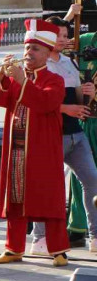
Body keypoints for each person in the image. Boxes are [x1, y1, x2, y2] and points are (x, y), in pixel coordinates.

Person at [0, 19, 69, 267]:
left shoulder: (55, 80)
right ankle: (13, 248)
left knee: (49, 197)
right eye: (26, 49)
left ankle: (59, 250)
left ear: (47, 53)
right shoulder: (16, 78)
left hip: (43, 150)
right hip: (16, 149)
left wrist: (22, 81)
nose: (28, 54)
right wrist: (0, 76)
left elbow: (45, 103)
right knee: (15, 197)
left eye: (34, 49)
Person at [30, 17, 97, 255]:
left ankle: (95, 236)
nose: (64, 39)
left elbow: (78, 100)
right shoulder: (38, 63)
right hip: (50, 134)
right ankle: (39, 237)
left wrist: (86, 94)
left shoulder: (70, 62)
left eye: (66, 35)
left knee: (92, 181)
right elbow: (34, 101)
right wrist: (65, 108)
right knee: (47, 186)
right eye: (59, 35)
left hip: (76, 134)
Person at [66, 4, 97, 253]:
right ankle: (77, 228)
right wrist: (69, 15)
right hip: (85, 122)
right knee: (81, 180)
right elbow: (54, 43)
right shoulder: (86, 40)